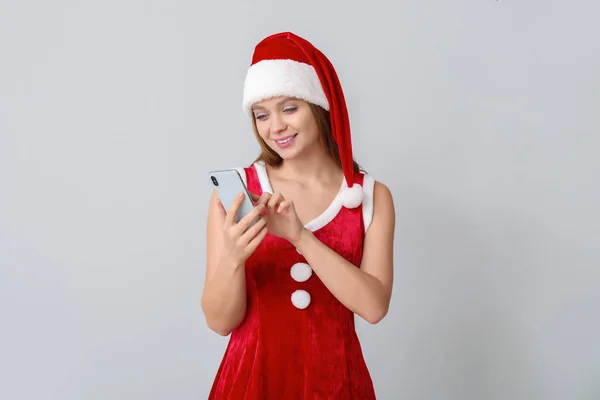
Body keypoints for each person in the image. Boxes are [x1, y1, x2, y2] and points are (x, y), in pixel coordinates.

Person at [201, 32, 396, 399]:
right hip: (251, 383)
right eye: (262, 115)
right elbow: (219, 321)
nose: (275, 127)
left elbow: (373, 307)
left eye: (290, 108)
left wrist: (300, 237)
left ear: (319, 106)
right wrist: (234, 258)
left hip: (337, 382)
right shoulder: (237, 194)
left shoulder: (371, 196)